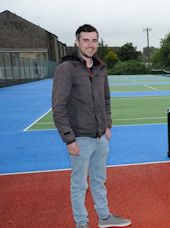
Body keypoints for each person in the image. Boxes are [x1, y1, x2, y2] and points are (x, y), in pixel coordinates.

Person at [52, 24, 131, 228]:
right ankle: (82, 224)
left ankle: (104, 218)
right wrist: (69, 138)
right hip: (80, 138)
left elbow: (106, 99)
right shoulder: (66, 69)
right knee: (79, 185)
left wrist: (107, 125)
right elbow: (58, 106)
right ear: (77, 42)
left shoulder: (100, 67)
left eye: (94, 40)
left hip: (100, 137)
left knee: (99, 180)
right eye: (85, 40)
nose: (90, 44)